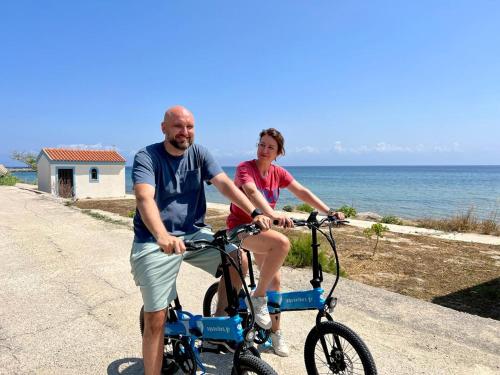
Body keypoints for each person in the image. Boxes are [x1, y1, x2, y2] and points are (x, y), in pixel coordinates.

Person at [130, 106, 278, 375]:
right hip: (154, 240)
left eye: (190, 127)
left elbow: (224, 184)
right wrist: (162, 235)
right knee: (155, 320)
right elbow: (144, 198)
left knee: (238, 257)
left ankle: (219, 328)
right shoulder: (147, 157)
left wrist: (254, 212)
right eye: (178, 126)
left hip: (195, 233)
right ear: (164, 128)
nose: (184, 132)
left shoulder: (199, 154)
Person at [226, 128, 345, 357]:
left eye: (270, 147)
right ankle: (257, 297)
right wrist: (272, 214)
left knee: (276, 281)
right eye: (261, 144)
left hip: (262, 230)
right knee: (282, 244)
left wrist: (329, 211)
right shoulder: (245, 168)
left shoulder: (278, 173)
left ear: (278, 152)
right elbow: (251, 192)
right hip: (240, 229)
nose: (264, 150)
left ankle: (274, 334)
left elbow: (301, 191)